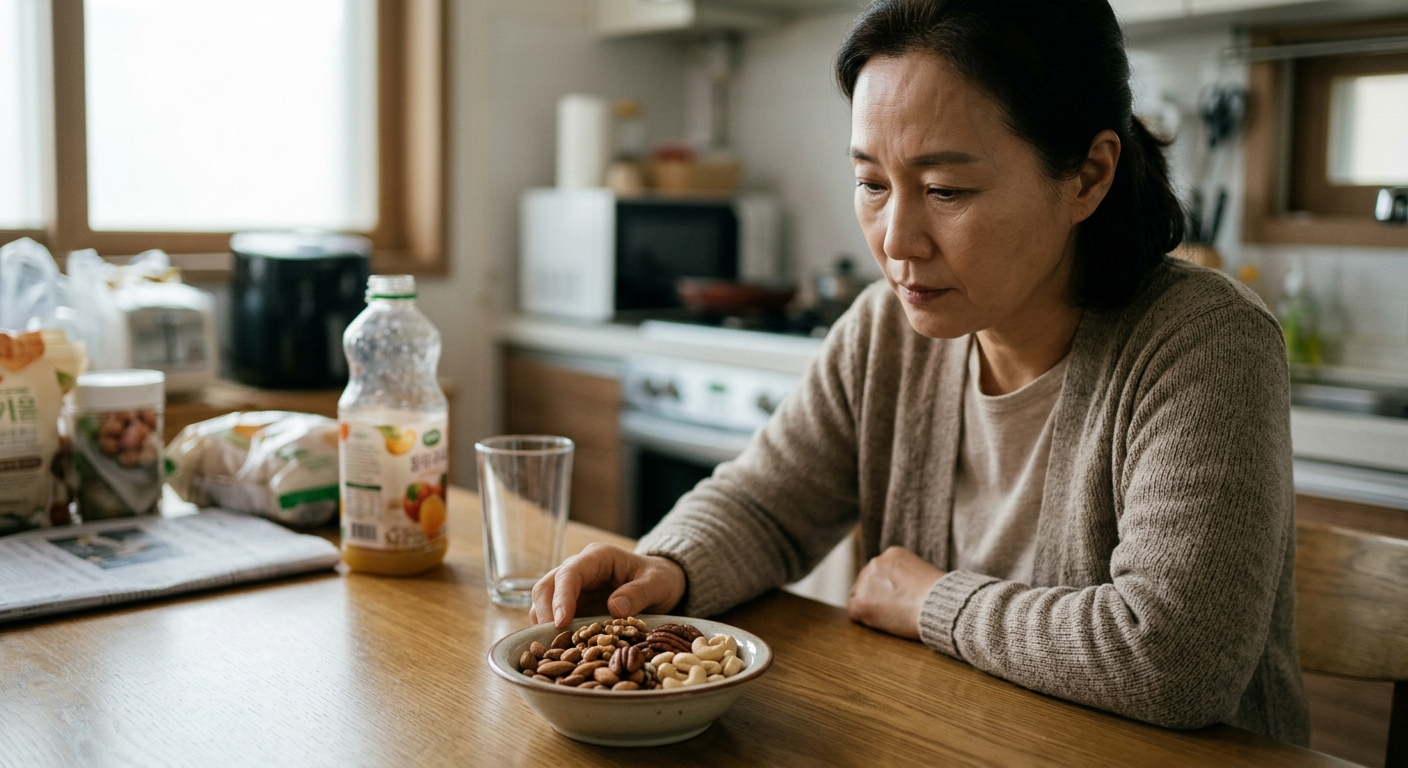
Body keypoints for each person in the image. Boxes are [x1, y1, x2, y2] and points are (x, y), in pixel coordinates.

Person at [529, 0, 1310, 744]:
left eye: (946, 190)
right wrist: (664, 565)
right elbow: (769, 504)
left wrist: (932, 601)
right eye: (872, 183)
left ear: (1088, 176)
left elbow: (1174, 659)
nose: (897, 240)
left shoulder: (1207, 343)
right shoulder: (886, 327)